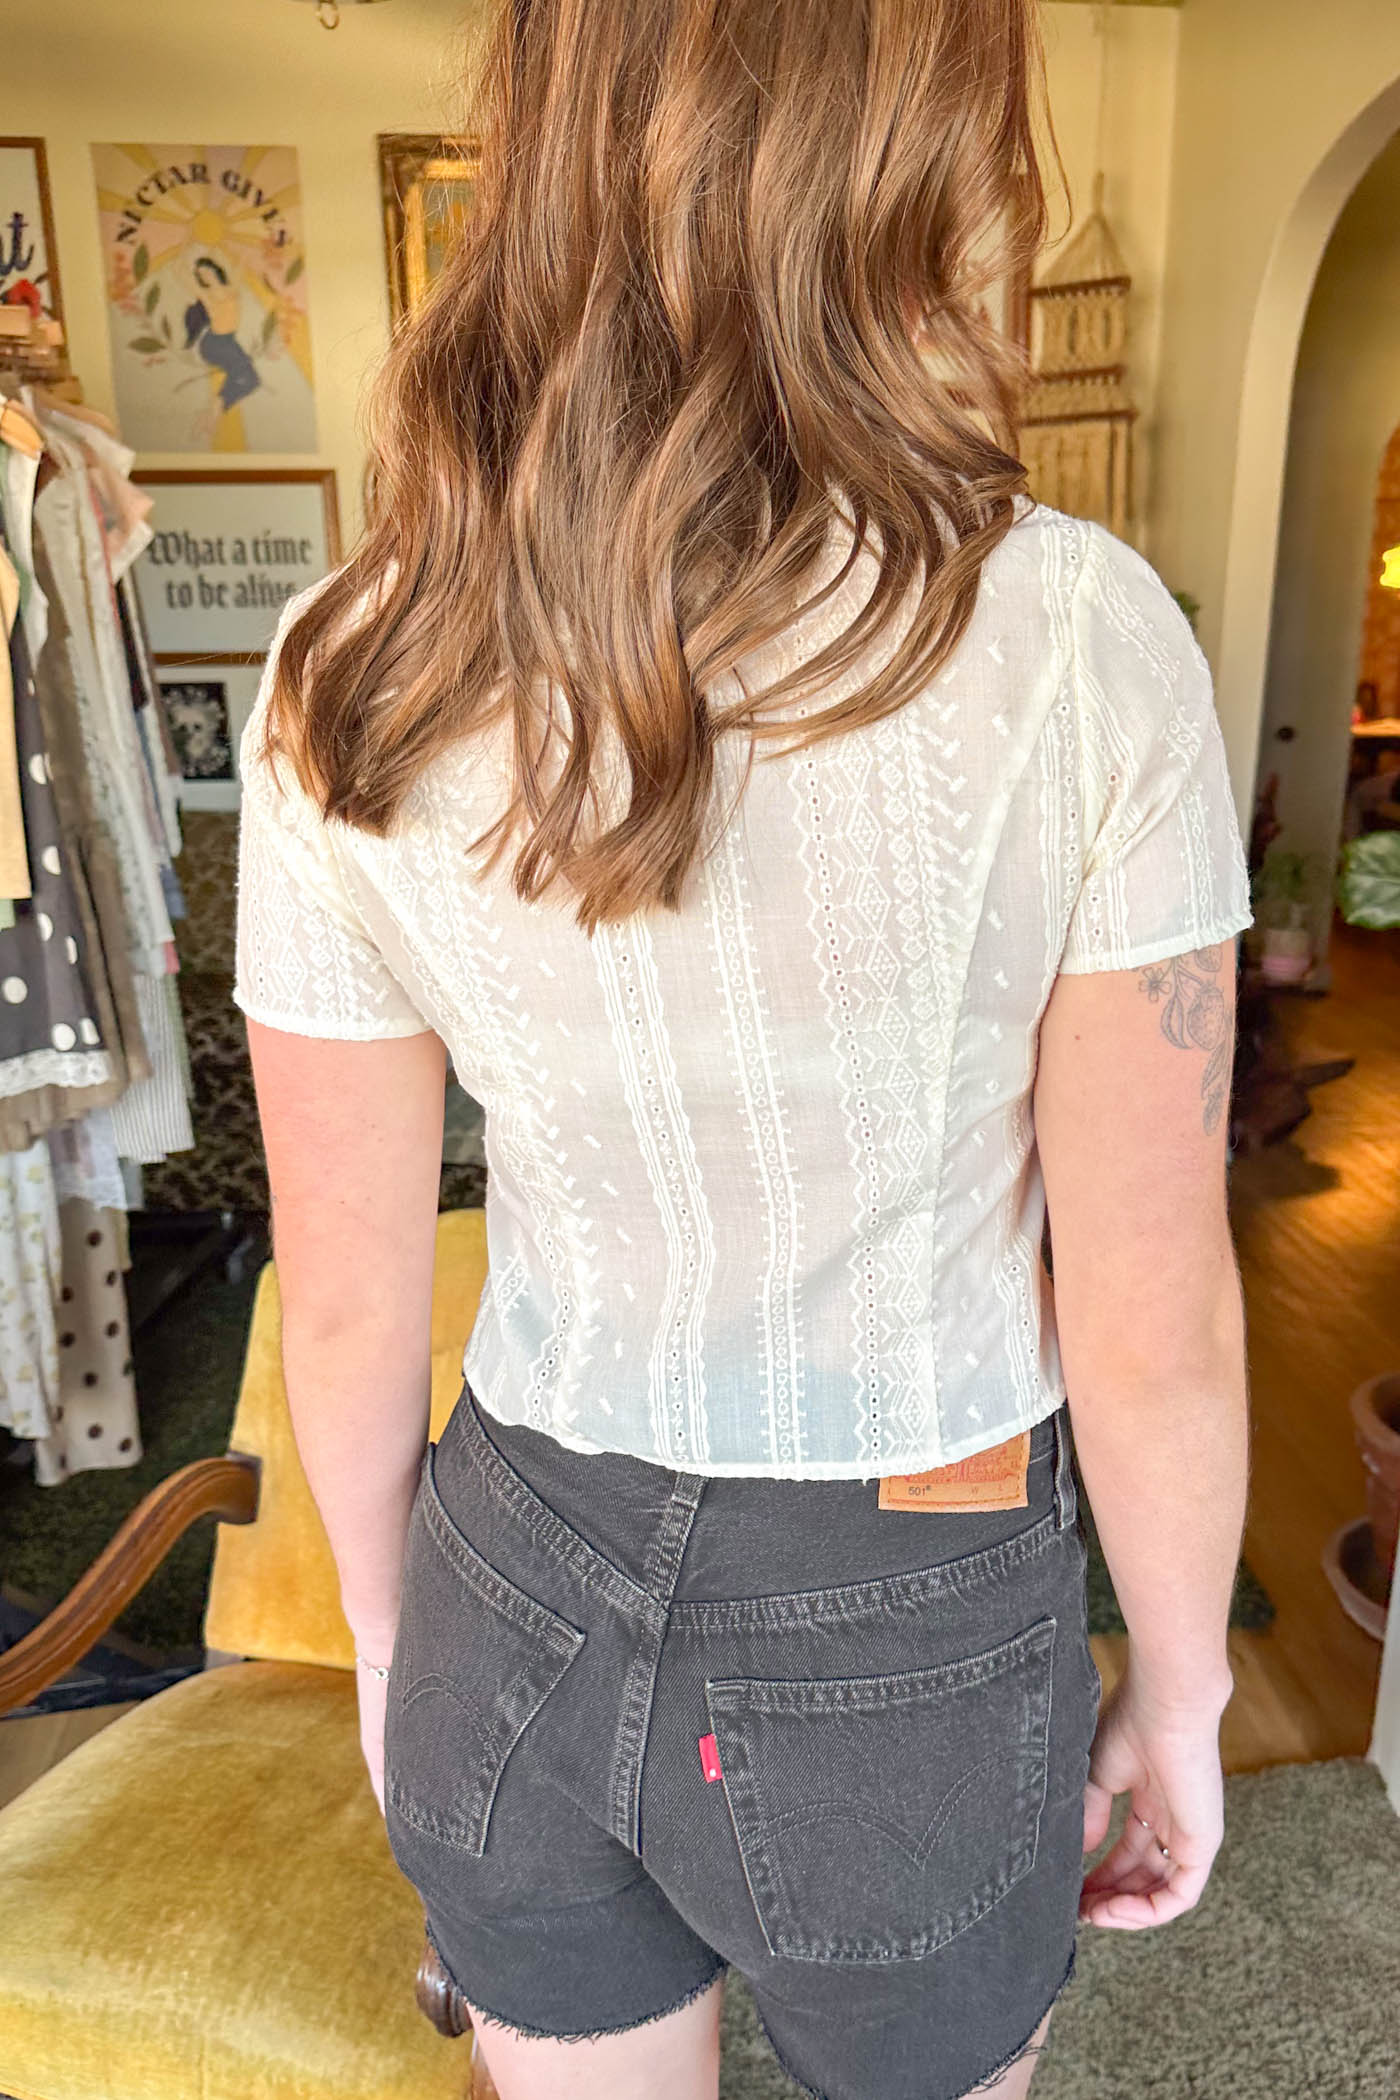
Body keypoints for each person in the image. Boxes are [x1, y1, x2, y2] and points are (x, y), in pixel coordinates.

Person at [230, 3, 1254, 2096]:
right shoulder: (1076, 644)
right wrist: (1181, 1689)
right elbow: (1145, 1312)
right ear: (930, 153)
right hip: (916, 1572)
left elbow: (337, 1293)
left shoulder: (353, 657)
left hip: (507, 1554)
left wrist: (396, 1638)